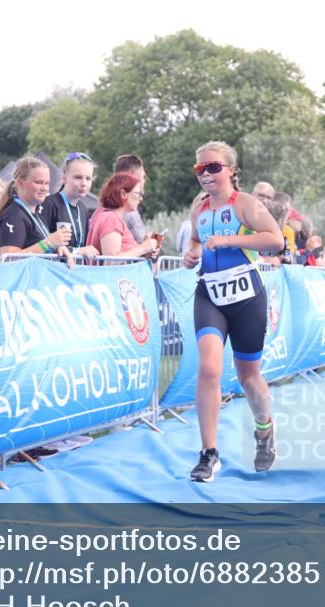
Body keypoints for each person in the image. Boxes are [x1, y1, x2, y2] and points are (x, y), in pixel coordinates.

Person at [182, 140, 284, 482]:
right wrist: (191, 252)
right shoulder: (199, 208)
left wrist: (231, 241)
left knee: (248, 378)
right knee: (209, 368)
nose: (206, 174)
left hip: (246, 297)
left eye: (213, 167)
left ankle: (264, 429)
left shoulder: (246, 205)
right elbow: (196, 240)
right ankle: (209, 454)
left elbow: (275, 241)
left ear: (231, 170)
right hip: (210, 293)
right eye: (200, 169)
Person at [0, 155, 73, 260]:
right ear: (20, 183)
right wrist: (48, 243)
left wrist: (56, 248)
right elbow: (9, 258)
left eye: (47, 183)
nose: (44, 188)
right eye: (39, 182)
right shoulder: (14, 215)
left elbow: (36, 248)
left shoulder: (34, 213)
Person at [39, 152, 100, 260]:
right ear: (64, 177)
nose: (84, 183)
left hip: (74, 272)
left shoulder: (83, 209)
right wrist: (78, 251)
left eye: (88, 178)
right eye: (78, 177)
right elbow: (39, 244)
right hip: (52, 272)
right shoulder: (49, 204)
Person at [85, 172, 159, 258]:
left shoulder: (104, 214)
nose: (141, 198)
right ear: (123, 194)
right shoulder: (111, 219)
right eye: (138, 194)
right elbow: (112, 261)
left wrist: (146, 249)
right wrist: (143, 248)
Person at [114, 154, 148, 243]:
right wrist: (145, 247)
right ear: (133, 177)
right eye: (143, 177)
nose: (144, 180)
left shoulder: (131, 208)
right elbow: (115, 255)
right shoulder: (118, 211)